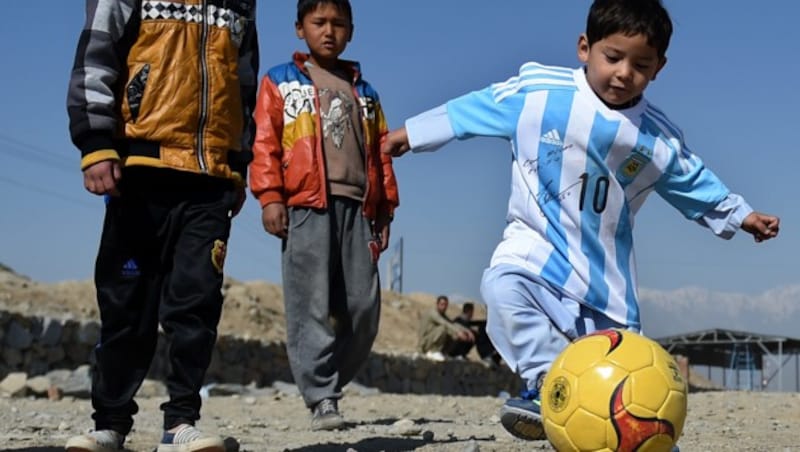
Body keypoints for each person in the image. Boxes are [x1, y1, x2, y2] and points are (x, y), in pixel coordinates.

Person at [382, 0, 779, 441]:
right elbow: (477, 108)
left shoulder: (657, 138)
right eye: (613, 58)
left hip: (605, 284)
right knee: (502, 289)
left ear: (659, 68)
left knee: (626, 386)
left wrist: (740, 214)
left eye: (641, 65)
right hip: (533, 251)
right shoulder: (540, 93)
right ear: (584, 48)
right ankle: (551, 386)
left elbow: (693, 180)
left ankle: (644, 438)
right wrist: (412, 133)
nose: (624, 73)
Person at [65, 0, 258, 450]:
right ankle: (110, 422)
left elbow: (242, 83)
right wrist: (95, 142)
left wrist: (239, 165)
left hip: (210, 178)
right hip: (139, 171)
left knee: (197, 303)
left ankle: (180, 423)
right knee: (126, 303)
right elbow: (96, 55)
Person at [248, 0, 399, 432]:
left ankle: (325, 376)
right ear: (300, 29)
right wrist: (270, 196)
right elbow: (265, 142)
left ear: (351, 31)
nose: (328, 31)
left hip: (359, 208)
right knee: (309, 302)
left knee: (364, 309)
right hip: (305, 205)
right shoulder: (280, 81)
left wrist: (385, 207)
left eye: (338, 24)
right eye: (319, 23)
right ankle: (322, 398)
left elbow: (382, 153)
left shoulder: (365, 92)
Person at [418, 295, 476, 361]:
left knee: (454, 333)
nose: (444, 307)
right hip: (425, 343)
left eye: (446, 305)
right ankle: (433, 352)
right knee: (444, 329)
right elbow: (444, 323)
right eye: (442, 304)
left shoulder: (443, 315)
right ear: (437, 304)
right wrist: (458, 332)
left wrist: (467, 331)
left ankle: (444, 353)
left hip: (430, 341)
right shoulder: (433, 313)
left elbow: (453, 324)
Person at [454, 303, 502, 368]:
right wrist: (469, 332)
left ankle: (490, 355)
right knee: (476, 333)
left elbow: (477, 323)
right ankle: (486, 355)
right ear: (470, 311)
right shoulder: (458, 321)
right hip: (453, 348)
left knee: (483, 327)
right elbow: (456, 325)